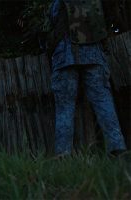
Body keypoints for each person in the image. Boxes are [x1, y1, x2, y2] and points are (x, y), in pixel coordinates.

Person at [47, 0, 126, 156]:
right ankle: (118, 149)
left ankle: (63, 154)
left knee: (65, 107)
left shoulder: (56, 4)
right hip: (94, 54)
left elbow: (50, 27)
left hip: (65, 56)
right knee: (103, 101)